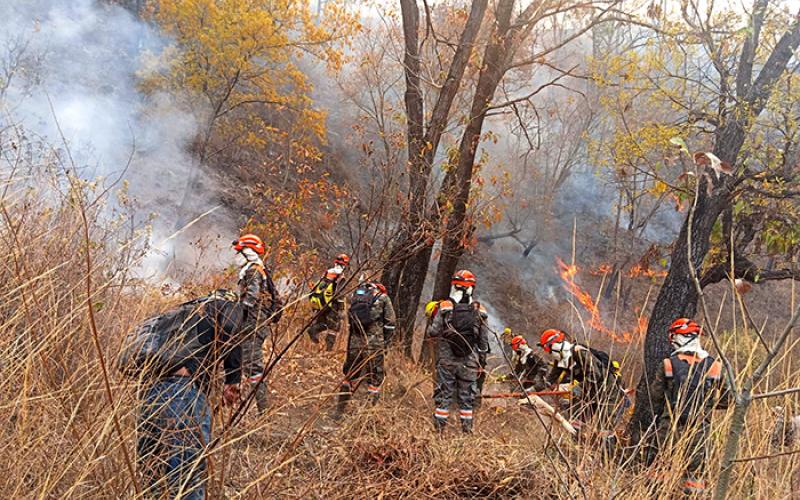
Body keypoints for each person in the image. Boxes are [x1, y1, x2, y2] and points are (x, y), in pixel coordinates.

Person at [132, 291, 244, 499]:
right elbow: (231, 328)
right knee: (187, 480)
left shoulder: (176, 315)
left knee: (153, 479)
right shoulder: (222, 306)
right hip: (183, 394)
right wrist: (233, 380)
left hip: (149, 396)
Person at [644, 318, 728, 495]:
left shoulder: (668, 364)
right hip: (700, 431)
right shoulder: (715, 366)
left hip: (669, 428)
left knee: (658, 477)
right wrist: (708, 405)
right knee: (694, 480)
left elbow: (655, 397)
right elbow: (727, 400)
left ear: (679, 338)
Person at [428, 270, 489, 433]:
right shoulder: (480, 310)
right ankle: (466, 433)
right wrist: (481, 362)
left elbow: (433, 332)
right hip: (470, 362)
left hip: (446, 361)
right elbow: (483, 342)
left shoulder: (444, 307)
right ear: (472, 288)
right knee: (467, 398)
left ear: (454, 286)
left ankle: (439, 432)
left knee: (444, 395)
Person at [233, 234, 283, 415]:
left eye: (239, 252)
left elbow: (251, 298)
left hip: (252, 324)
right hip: (254, 323)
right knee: (246, 363)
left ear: (248, 253)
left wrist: (236, 312)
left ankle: (264, 411)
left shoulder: (252, 271)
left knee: (253, 365)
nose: (236, 256)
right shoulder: (257, 269)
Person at [539, 329, 627, 430]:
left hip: (608, 392)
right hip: (590, 393)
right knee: (575, 417)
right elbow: (550, 379)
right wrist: (530, 391)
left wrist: (578, 388)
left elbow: (595, 375)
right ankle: (576, 443)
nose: (548, 352)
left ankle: (606, 443)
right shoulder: (561, 360)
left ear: (554, 345)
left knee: (604, 428)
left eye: (547, 348)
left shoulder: (579, 352)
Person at [334, 279, 396, 416]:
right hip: (374, 345)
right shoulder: (383, 298)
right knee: (375, 378)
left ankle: (339, 411)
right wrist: (386, 343)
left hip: (354, 343)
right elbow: (391, 323)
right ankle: (367, 415)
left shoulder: (356, 296)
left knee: (349, 375)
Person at [308, 253, 350, 351]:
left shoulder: (328, 272)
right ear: (345, 264)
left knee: (322, 322)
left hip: (322, 302)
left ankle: (313, 330)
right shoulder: (341, 276)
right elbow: (340, 294)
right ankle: (329, 350)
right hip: (332, 305)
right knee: (334, 328)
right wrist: (341, 309)